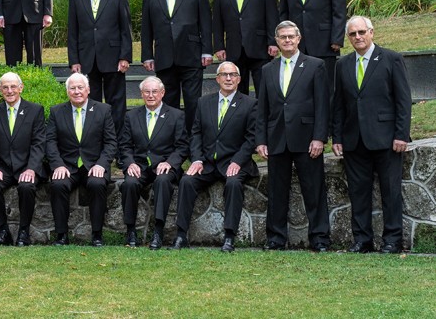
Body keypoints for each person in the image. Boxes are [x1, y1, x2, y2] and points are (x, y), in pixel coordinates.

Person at [332, 16, 412, 254]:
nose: (358, 37)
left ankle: (392, 240)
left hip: (386, 139)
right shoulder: (342, 64)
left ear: (371, 32)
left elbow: (403, 100)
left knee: (390, 192)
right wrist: (336, 137)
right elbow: (338, 104)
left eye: (361, 32)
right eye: (353, 34)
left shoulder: (391, 59)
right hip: (354, 140)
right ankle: (362, 240)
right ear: (348, 38)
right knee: (358, 193)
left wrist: (401, 135)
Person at [256, 21, 331, 251]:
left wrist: (319, 137)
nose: (287, 40)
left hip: (307, 139)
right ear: (276, 41)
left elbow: (322, 104)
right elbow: (263, 108)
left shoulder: (315, 65)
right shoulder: (268, 69)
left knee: (314, 190)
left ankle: (319, 238)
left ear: (299, 39)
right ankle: (276, 238)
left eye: (291, 36)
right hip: (277, 138)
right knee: (277, 191)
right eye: (282, 37)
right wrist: (261, 140)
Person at [174, 61, 259, 252]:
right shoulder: (203, 103)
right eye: (224, 75)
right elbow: (195, 133)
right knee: (187, 181)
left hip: (234, 162)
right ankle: (181, 235)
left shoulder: (250, 104)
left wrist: (238, 161)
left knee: (233, 184)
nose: (228, 78)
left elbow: (251, 138)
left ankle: (229, 237)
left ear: (239, 79)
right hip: (207, 164)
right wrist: (196, 159)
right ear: (217, 78)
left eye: (233, 75)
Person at [140, 0, 212, 132]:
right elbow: (146, 27)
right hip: (164, 56)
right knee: (168, 102)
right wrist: (147, 55)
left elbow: (206, 22)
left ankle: (192, 142)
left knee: (192, 101)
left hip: (191, 55)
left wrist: (207, 50)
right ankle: (170, 142)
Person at [45, 73, 117, 247]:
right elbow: (50, 142)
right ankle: (61, 235)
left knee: (97, 184)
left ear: (88, 90)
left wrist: (102, 164)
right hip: (67, 166)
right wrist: (57, 165)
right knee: (58, 185)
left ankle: (97, 234)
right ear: (67, 91)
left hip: (94, 165)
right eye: (72, 88)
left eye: (80, 87)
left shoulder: (103, 110)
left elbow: (111, 142)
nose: (77, 91)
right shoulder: (56, 111)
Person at [117, 76, 187, 249]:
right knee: (129, 184)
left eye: (154, 91)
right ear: (141, 94)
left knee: (162, 181)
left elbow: (183, 147)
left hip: (164, 165)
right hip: (139, 165)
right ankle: (131, 230)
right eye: (146, 92)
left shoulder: (176, 116)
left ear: (162, 93)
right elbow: (124, 146)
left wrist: (170, 163)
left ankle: (158, 231)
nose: (150, 95)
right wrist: (130, 163)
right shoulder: (131, 116)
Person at [0, 72, 46, 246]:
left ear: (21, 87)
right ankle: (3, 231)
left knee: (26, 187)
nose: (9, 91)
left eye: (13, 86)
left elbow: (39, 143)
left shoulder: (35, 110)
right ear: (0, 90)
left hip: (27, 166)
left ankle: (24, 232)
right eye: (5, 87)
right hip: (4, 167)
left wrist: (32, 168)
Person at [68, 0, 132, 127]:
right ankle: (95, 145)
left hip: (113, 58)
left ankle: (117, 147)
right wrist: (74, 60)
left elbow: (126, 29)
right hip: (87, 58)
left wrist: (125, 56)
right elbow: (73, 31)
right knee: (92, 105)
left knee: (116, 104)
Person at [212, 0, 277, 96]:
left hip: (260, 48)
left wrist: (273, 42)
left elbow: (272, 16)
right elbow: (217, 21)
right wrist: (219, 46)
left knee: (263, 91)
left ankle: (263, 120)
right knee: (238, 94)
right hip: (234, 49)